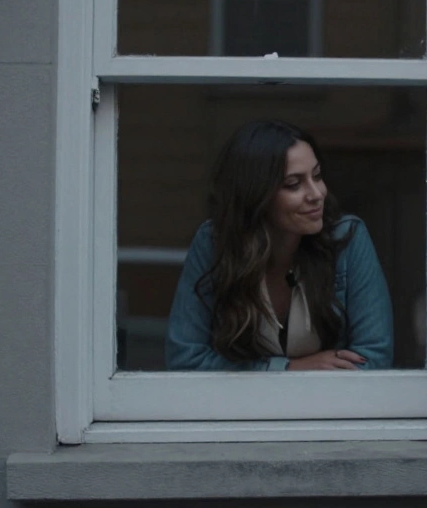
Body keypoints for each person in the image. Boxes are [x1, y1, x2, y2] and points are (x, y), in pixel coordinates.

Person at [165, 120, 394, 371]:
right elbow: (185, 360)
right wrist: (289, 369)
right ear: (255, 195)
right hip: (242, 400)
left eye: (317, 176)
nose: (317, 194)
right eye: (294, 184)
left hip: (330, 399)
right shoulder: (214, 242)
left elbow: (373, 358)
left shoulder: (347, 238)